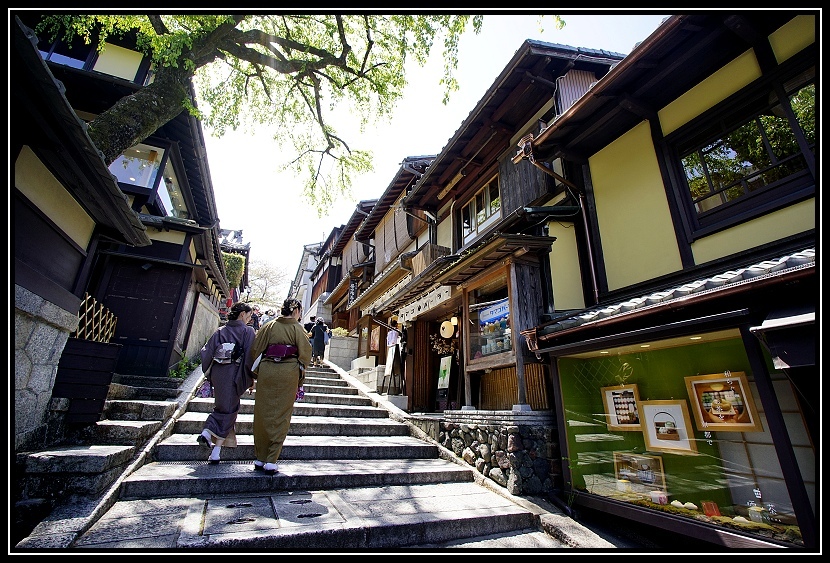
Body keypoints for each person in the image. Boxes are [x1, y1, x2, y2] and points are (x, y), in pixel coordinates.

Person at [249, 298, 312, 475]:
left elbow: (256, 349)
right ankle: (271, 459)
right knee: (281, 414)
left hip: (268, 370)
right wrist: (300, 373)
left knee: (262, 413)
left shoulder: (268, 326)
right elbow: (305, 354)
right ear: (296, 310)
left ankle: (260, 457)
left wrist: (254, 374)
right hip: (288, 371)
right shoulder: (298, 328)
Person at [197, 301, 256, 464]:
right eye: (249, 316)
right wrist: (251, 378)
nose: (249, 319)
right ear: (242, 314)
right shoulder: (247, 331)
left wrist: (210, 373)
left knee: (227, 407)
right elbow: (250, 357)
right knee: (229, 409)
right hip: (234, 372)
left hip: (218, 371)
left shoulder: (220, 330)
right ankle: (208, 431)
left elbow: (206, 352)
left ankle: (216, 451)